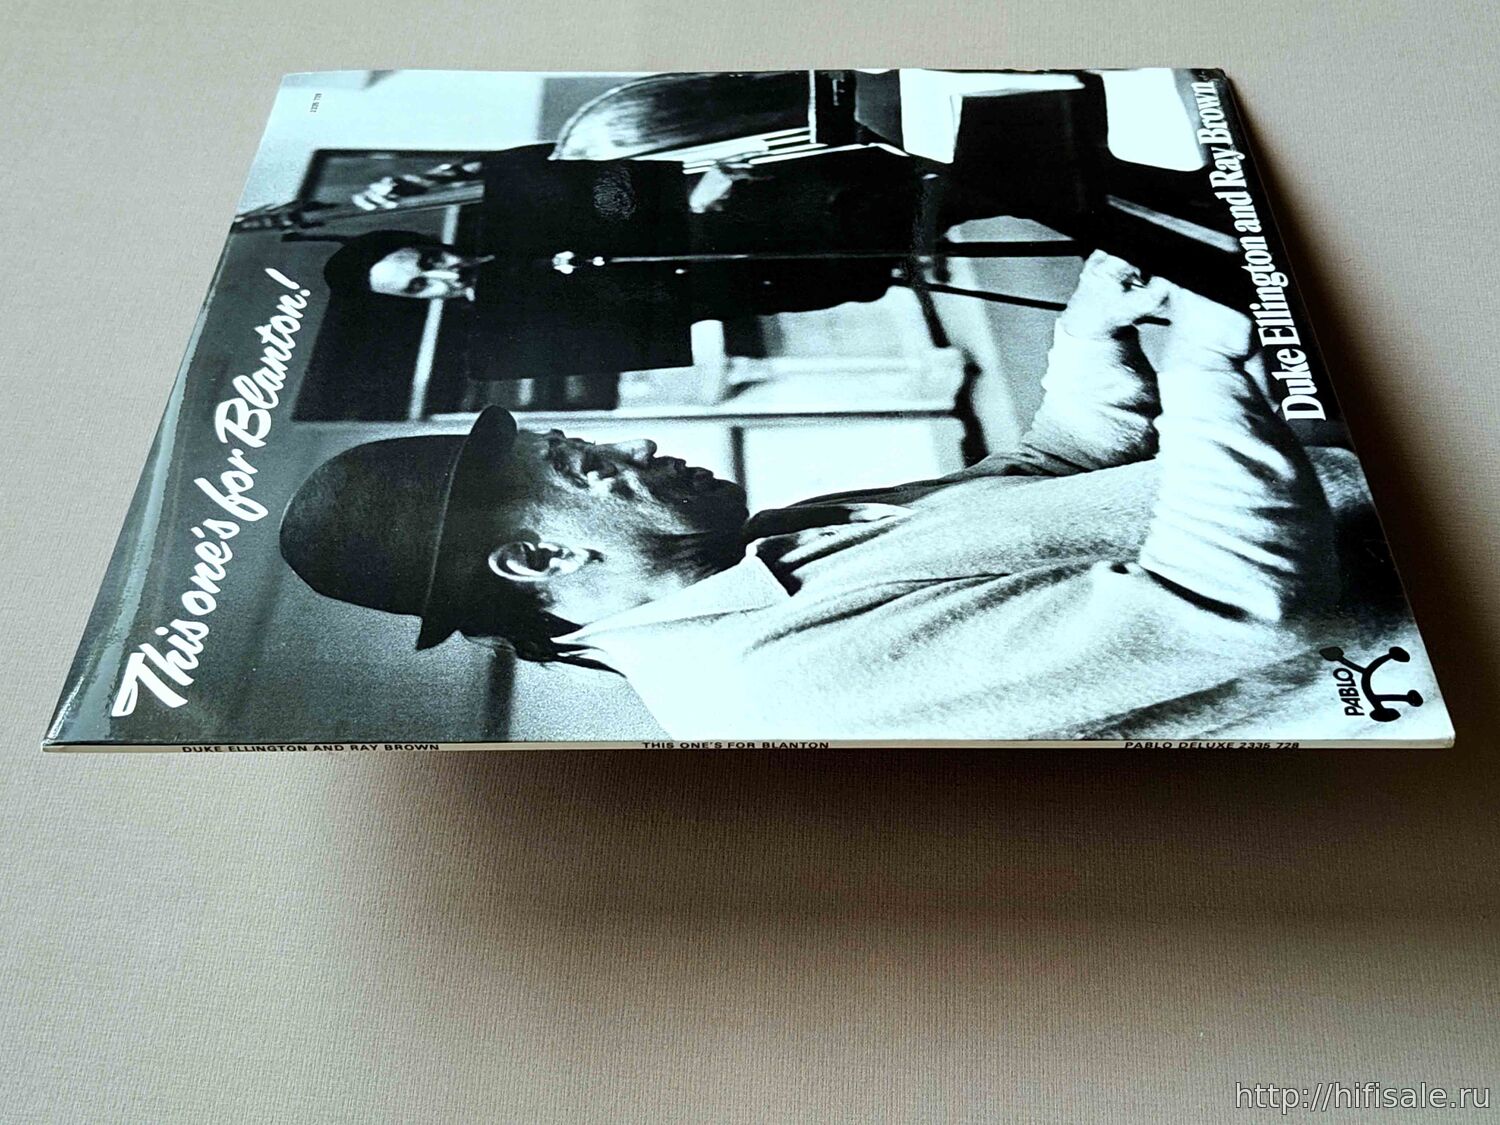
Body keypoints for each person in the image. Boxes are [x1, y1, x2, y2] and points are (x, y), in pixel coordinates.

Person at [280, 253, 1373, 740]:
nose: (642, 445)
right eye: (584, 466)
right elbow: (1230, 602)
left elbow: (1046, 479)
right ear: (537, 559)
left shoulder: (756, 552)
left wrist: (1092, 336)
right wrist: (1209, 364)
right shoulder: (760, 689)